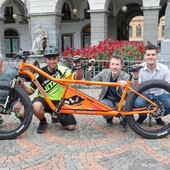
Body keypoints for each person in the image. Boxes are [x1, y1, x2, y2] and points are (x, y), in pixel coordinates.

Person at [19, 46, 82, 134]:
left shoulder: (63, 70)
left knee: (71, 126)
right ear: (45, 59)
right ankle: (43, 121)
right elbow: (30, 91)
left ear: (58, 59)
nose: (52, 61)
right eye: (49, 59)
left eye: (54, 58)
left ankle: (55, 115)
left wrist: (78, 66)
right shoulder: (40, 72)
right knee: (36, 106)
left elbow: (78, 79)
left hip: (58, 102)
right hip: (43, 99)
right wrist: (22, 85)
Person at [86, 55, 129, 125]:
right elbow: (88, 83)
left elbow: (129, 93)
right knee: (101, 104)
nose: (114, 67)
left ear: (121, 66)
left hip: (121, 100)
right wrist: (89, 68)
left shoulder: (126, 76)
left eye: (117, 64)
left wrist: (124, 86)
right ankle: (109, 118)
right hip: (107, 100)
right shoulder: (104, 72)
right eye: (112, 64)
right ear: (109, 65)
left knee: (126, 104)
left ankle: (124, 118)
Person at [133, 44, 170, 125]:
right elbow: (135, 88)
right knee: (136, 103)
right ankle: (142, 116)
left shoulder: (164, 68)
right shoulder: (139, 68)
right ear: (145, 56)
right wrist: (136, 76)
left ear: (157, 56)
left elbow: (168, 83)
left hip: (159, 94)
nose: (151, 57)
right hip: (145, 95)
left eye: (153, 54)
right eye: (148, 55)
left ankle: (157, 115)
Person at [0, 54, 18, 124]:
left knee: (22, 111)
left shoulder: (12, 72)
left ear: (1, 61)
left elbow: (22, 91)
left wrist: (20, 101)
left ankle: (21, 117)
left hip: (12, 100)